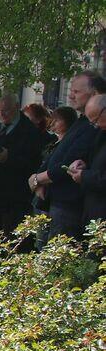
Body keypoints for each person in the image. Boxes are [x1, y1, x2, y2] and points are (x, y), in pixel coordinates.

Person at [28, 70, 106, 239]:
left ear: (94, 94)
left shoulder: (93, 127)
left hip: (71, 206)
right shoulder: (83, 121)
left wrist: (38, 179)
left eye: (76, 91)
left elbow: (68, 161)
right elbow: (58, 154)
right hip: (60, 202)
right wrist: (38, 178)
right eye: (71, 90)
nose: (71, 96)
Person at [0, 93, 42, 234]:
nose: (1, 114)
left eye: (6, 110)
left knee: (11, 241)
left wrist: (8, 158)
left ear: (17, 107)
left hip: (13, 200)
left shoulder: (30, 130)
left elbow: (34, 163)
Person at [68, 94, 106, 229]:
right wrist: (84, 165)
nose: (96, 125)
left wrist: (85, 176)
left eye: (96, 120)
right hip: (93, 211)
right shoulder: (102, 133)